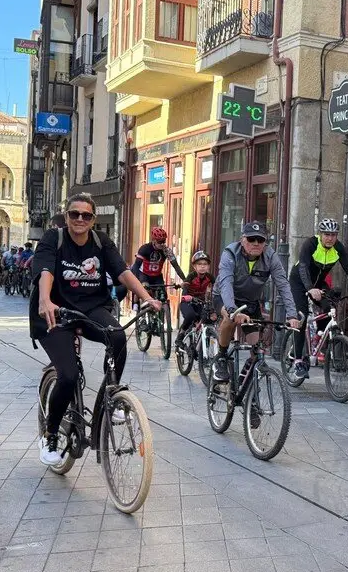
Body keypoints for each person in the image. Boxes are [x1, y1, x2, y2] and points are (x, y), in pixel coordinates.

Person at [30, 193, 162, 466]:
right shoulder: (53, 239)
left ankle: (110, 396)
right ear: (66, 217)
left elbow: (124, 273)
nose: (80, 219)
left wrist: (147, 298)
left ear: (93, 220)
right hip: (56, 313)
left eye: (86, 215)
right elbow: (45, 272)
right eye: (74, 214)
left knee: (117, 337)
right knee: (67, 376)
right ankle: (51, 434)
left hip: (91, 308)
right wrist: (45, 300)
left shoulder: (102, 243)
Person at [212, 221, 300, 383]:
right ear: (242, 240)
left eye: (260, 240)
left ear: (265, 242)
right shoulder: (230, 253)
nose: (256, 243)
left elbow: (282, 284)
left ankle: (249, 392)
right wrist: (232, 309)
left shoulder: (270, 256)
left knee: (257, 352)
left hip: (251, 302)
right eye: (251, 239)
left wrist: (292, 314)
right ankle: (222, 358)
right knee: (229, 318)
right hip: (225, 298)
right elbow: (226, 283)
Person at [288, 218, 348, 378]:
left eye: (333, 235)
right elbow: (302, 267)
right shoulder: (310, 244)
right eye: (326, 234)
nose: (330, 238)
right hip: (299, 282)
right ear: (320, 234)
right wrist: (309, 289)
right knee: (301, 318)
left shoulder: (338, 248)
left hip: (318, 283)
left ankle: (319, 337)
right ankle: (298, 360)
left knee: (330, 308)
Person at [130, 226, 187, 307]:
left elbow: (176, 266)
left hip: (157, 276)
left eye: (164, 241)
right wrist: (135, 279)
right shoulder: (145, 248)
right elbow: (136, 266)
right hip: (144, 274)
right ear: (153, 240)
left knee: (163, 295)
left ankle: (163, 313)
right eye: (160, 242)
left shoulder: (166, 250)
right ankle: (140, 309)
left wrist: (184, 279)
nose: (162, 244)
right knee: (145, 290)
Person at [175, 250, 215, 346]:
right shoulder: (191, 276)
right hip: (188, 302)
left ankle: (201, 343)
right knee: (190, 316)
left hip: (200, 302)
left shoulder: (210, 277)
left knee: (209, 318)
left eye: (205, 264)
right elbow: (185, 286)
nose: (202, 266)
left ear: (208, 266)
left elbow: (217, 288)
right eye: (199, 264)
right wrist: (185, 296)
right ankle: (180, 337)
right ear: (194, 266)